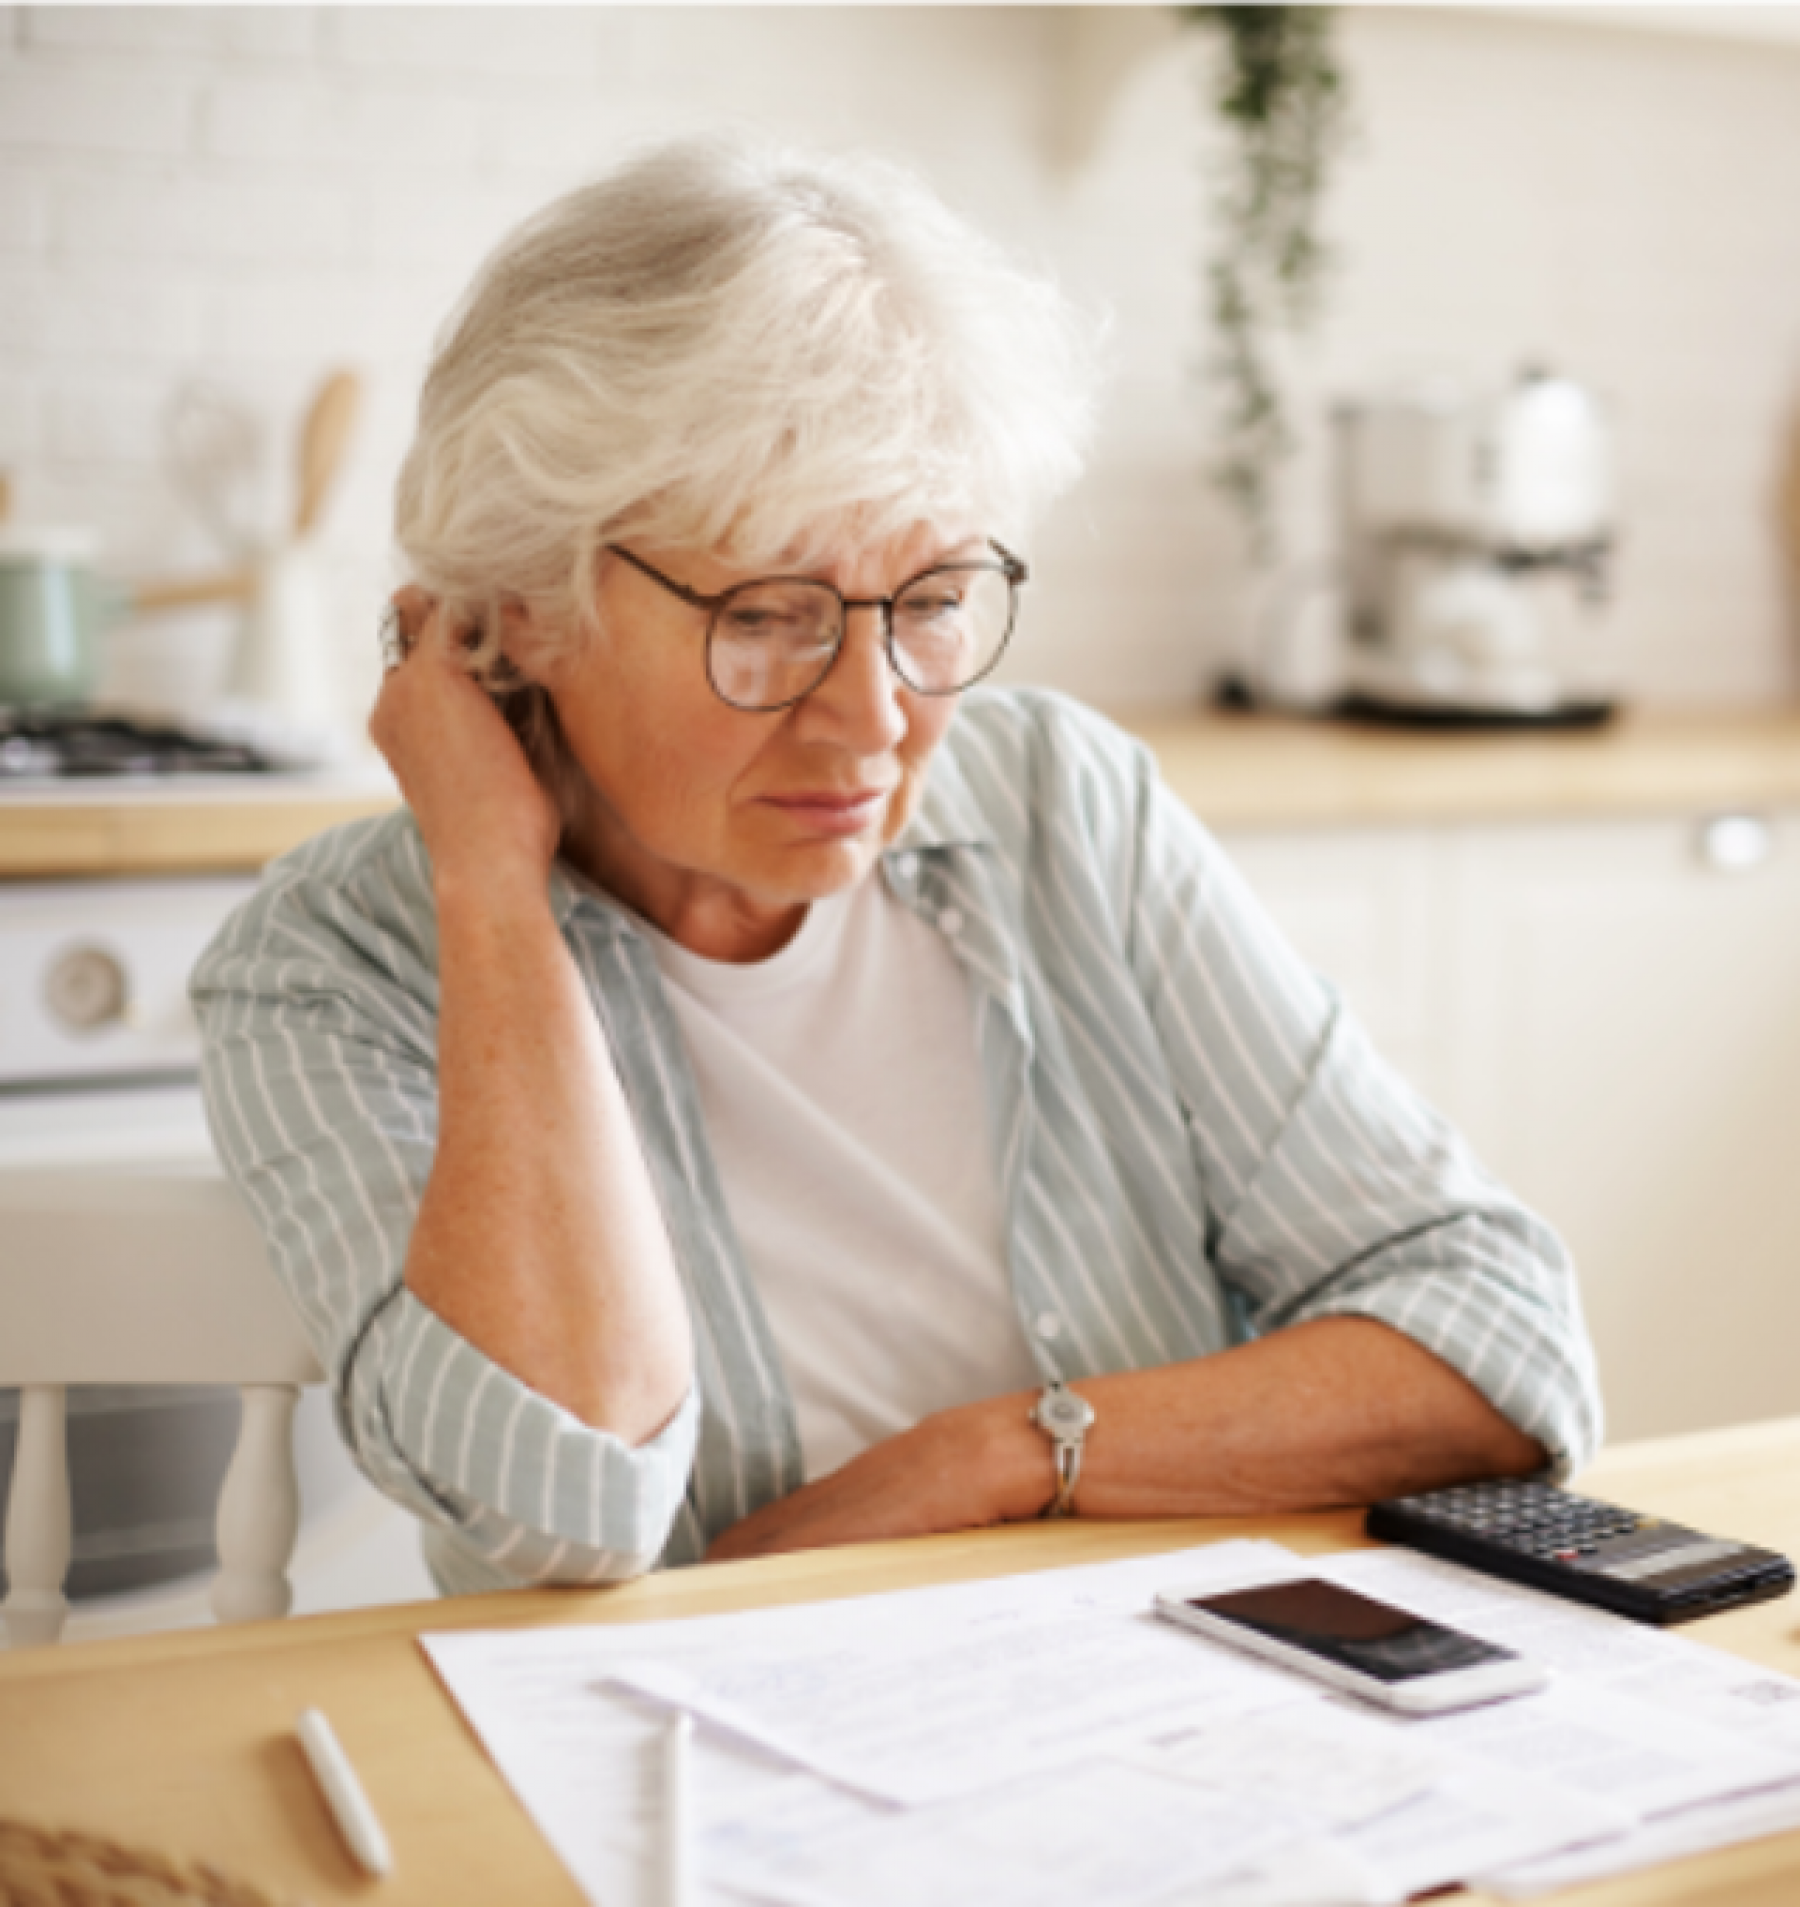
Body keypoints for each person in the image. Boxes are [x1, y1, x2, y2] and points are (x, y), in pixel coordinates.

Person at [191, 136, 1602, 1599]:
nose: (875, 717)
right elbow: (564, 1503)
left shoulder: (1063, 805)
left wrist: (988, 1460)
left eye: (930, 599)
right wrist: (490, 884)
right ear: (523, 607)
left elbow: (1499, 1342)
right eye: (768, 614)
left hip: (1153, 1710)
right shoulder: (330, 962)